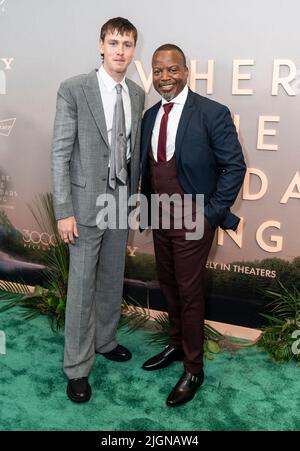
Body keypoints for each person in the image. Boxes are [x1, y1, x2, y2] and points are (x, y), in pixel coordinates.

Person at [140, 44, 246, 407]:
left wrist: (211, 214)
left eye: (171, 70)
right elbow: (149, 170)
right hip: (160, 216)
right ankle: (174, 345)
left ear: (186, 72)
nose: (164, 77)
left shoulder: (211, 113)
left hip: (194, 220)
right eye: (157, 71)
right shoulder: (150, 116)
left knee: (189, 293)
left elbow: (235, 167)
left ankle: (193, 368)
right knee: (168, 285)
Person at [52, 17, 145, 403]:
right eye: (114, 42)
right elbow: (60, 152)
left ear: (133, 50)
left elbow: (134, 154)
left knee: (111, 279)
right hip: (84, 204)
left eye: (127, 44)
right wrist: (64, 210)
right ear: (101, 46)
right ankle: (76, 367)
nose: (120, 50)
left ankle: (105, 340)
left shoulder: (138, 93)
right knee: (81, 287)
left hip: (120, 203)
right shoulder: (74, 89)